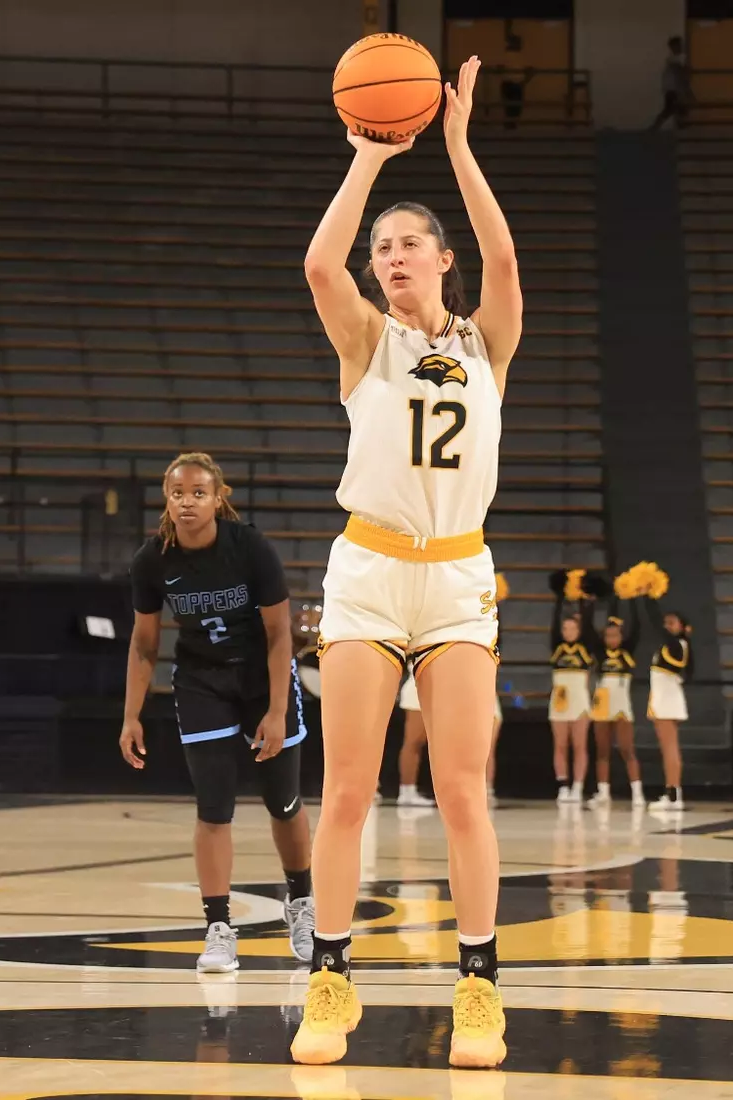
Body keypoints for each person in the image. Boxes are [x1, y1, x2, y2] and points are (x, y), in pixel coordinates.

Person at [294, 54, 519, 1068]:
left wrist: (459, 147)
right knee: (348, 790)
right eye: (382, 246)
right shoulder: (364, 342)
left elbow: (505, 258)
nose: (390, 256)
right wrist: (367, 159)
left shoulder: (487, 342)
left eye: (408, 244)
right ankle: (330, 980)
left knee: (464, 791)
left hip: (459, 579)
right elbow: (318, 266)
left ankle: (478, 988)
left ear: (441, 259)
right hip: (370, 574)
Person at [119, 452, 315, 974]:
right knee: (213, 809)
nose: (187, 502)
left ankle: (301, 903)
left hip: (260, 678)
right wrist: (131, 715)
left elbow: (280, 634)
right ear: (167, 500)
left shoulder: (249, 548)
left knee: (284, 802)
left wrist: (277, 710)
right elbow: (143, 644)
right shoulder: (153, 560)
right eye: (178, 493)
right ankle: (219, 929)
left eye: (198, 493)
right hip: (201, 681)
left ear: (218, 498)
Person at [546, 573, 596, 804]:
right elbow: (554, 622)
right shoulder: (557, 647)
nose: (568, 632)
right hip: (559, 700)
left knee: (579, 745)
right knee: (560, 744)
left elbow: (589, 625)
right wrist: (560, 597)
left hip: (580, 700)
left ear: (578, 630)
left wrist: (585, 600)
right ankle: (563, 785)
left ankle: (578, 786)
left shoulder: (584, 648)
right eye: (565, 628)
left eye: (572, 628)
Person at [587, 606, 643, 808]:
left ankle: (637, 793)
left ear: (621, 636)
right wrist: (589, 604)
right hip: (602, 703)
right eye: (608, 635)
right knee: (602, 750)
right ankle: (603, 793)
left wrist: (634, 600)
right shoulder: (600, 654)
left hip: (621, 704)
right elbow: (588, 629)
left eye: (615, 635)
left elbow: (637, 628)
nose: (611, 639)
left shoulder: (627, 651)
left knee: (627, 749)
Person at [647, 605, 691, 811]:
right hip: (663, 700)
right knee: (668, 749)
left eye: (672, 623)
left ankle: (673, 795)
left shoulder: (678, 645)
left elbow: (656, 624)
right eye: (667, 622)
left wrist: (648, 597)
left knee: (670, 748)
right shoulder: (670, 646)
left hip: (667, 701)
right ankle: (672, 792)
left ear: (682, 627)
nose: (667, 626)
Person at [388, 674, 436, 807]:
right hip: (418, 687)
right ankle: (407, 792)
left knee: (422, 743)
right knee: (413, 742)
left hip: (438, 690)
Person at [651, 36, 691, 129]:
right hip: (672, 88)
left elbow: (681, 73)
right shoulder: (673, 59)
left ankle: (680, 125)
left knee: (678, 108)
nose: (678, 47)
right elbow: (679, 73)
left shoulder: (679, 58)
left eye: (678, 45)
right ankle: (655, 127)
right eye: (675, 46)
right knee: (671, 108)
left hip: (675, 88)